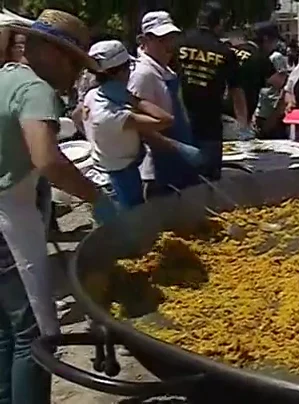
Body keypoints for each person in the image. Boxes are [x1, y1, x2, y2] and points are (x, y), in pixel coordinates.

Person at [0, 9, 119, 403]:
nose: (74, 75)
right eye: (72, 62)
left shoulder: (4, 78)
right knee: (36, 336)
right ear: (50, 52)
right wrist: (98, 198)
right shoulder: (34, 88)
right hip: (8, 228)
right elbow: (47, 159)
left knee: (4, 331)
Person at [84, 40, 200, 208]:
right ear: (121, 73)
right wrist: (134, 99)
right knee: (130, 227)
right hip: (119, 178)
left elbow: (77, 116)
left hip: (112, 168)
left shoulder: (93, 95)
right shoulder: (111, 114)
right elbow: (165, 120)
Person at [131, 10, 199, 194]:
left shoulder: (165, 70)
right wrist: (178, 148)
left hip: (179, 161)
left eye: (171, 38)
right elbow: (137, 125)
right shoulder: (142, 74)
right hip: (159, 167)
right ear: (143, 40)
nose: (169, 45)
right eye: (161, 40)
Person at [176, 2, 242, 180]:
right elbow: (236, 91)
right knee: (209, 182)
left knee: (182, 180)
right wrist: (243, 125)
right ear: (219, 22)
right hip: (210, 125)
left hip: (179, 122)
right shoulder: (225, 52)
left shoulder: (179, 43)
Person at [227, 21, 284, 135]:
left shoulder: (232, 50)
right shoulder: (260, 57)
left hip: (217, 112)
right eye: (275, 41)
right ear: (266, 39)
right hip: (238, 118)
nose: (275, 46)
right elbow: (279, 82)